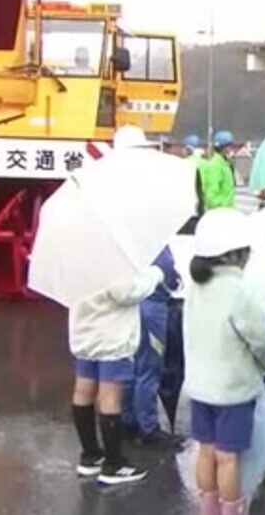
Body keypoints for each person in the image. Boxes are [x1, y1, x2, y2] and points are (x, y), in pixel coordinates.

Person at [69, 124, 161, 485]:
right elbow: (125, 291)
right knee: (110, 395)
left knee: (82, 389)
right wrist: (153, 275)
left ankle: (89, 456)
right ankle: (113, 463)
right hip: (111, 331)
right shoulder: (112, 235)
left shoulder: (74, 236)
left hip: (83, 326)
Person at [183, 208, 265, 515]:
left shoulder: (196, 285)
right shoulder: (240, 290)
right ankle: (232, 511)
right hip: (233, 390)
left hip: (199, 386)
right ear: (236, 253)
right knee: (228, 457)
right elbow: (261, 342)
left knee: (206, 452)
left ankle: (207, 508)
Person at [121, 245, 185, 448]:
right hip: (152, 310)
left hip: (135, 310)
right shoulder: (156, 245)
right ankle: (148, 428)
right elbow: (170, 279)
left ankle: (128, 419)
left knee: (133, 367)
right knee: (149, 370)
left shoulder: (130, 242)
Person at [198, 130, 236, 212]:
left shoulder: (225, 164)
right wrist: (221, 208)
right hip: (219, 213)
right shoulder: (214, 165)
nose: (231, 149)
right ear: (221, 147)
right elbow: (211, 196)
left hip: (227, 211)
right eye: (229, 146)